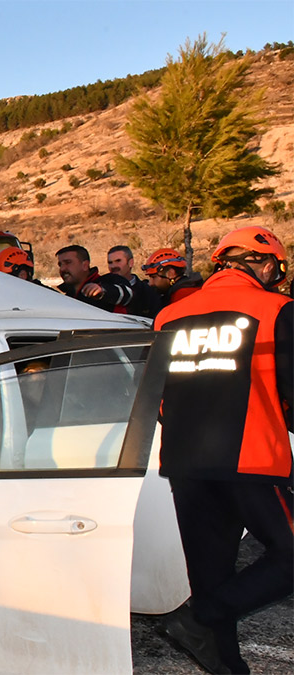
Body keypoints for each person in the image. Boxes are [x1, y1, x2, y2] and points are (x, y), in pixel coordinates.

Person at [152, 226, 293, 675]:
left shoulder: (169, 316)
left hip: (184, 462)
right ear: (268, 264)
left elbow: (157, 399)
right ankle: (195, 618)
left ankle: (227, 666)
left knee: (211, 574)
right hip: (250, 456)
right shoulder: (277, 309)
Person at [55, 245, 134, 313]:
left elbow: (127, 295)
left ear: (85, 265)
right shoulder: (65, 297)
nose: (62, 269)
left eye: (68, 262)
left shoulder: (109, 280)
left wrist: (103, 291)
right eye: (60, 264)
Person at [108, 244, 162, 318]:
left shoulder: (147, 292)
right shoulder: (102, 289)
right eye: (110, 263)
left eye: (118, 261)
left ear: (131, 263)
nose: (113, 266)